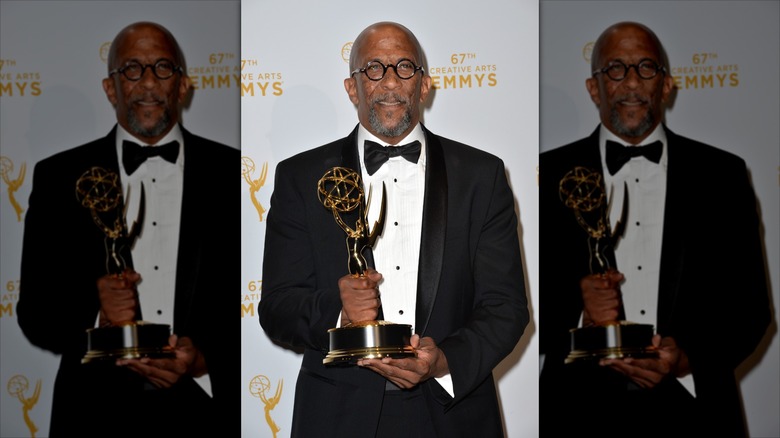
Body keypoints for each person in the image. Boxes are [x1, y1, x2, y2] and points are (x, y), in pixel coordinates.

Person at [259, 21, 528, 437]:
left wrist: (443, 363)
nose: (389, 82)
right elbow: (277, 307)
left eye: (404, 67)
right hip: (337, 415)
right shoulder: (300, 176)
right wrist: (339, 310)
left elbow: (506, 307)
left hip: (452, 412)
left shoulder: (481, 175)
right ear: (352, 87)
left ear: (424, 85)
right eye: (373, 69)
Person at [538, 21, 771, 437]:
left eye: (646, 68)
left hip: (693, 409)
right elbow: (512, 305)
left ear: (665, 85)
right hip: (579, 410)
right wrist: (578, 306)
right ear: (594, 88)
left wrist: (686, 360)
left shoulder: (722, 175)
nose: (631, 83)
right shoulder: (549, 174)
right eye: (615, 69)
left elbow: (751, 309)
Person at [17, 22, 239, 437]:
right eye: (132, 69)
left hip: (202, 408)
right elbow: (35, 313)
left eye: (162, 68)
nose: (149, 83)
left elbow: (259, 297)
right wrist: (97, 315)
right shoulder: (59, 177)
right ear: (109, 87)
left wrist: (206, 360)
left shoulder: (232, 174)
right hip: (94, 411)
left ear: (184, 84)